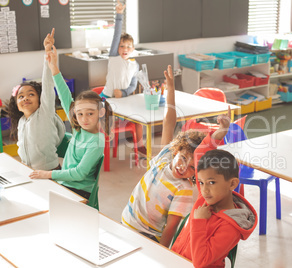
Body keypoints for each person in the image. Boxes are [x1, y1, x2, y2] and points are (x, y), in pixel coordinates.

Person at [121, 64, 213, 247]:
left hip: (146, 236)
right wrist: (170, 90)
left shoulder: (183, 189)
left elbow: (171, 228)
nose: (183, 167)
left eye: (192, 169)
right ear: (177, 149)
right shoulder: (165, 157)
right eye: (184, 158)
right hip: (126, 222)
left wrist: (162, 255)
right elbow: (168, 122)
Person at [29, 30, 114, 199]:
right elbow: (64, 93)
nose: (83, 119)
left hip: (79, 191)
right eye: (80, 114)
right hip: (64, 184)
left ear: (101, 112)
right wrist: (53, 63)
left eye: (90, 113)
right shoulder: (78, 129)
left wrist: (49, 175)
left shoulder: (97, 140)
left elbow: (79, 174)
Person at [171, 148, 258, 267]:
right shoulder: (206, 198)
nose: (204, 190)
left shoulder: (231, 226)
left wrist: (199, 221)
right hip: (174, 261)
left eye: (211, 182)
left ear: (232, 184)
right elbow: (200, 154)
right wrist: (215, 136)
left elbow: (200, 262)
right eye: (201, 182)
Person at [4, 29, 65, 171]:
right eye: (21, 96)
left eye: (31, 94)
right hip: (29, 171)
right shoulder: (22, 121)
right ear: (18, 106)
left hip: (50, 173)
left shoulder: (44, 113)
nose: (25, 97)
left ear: (40, 100)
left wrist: (47, 53)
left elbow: (48, 83)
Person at [100, 0, 145, 154]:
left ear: (132, 49)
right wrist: (119, 14)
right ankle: (105, 136)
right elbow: (116, 34)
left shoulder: (135, 65)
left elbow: (133, 85)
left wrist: (124, 93)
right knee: (101, 112)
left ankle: (140, 145)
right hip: (107, 97)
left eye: (128, 46)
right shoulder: (114, 57)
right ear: (116, 48)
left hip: (124, 99)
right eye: (121, 46)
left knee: (138, 118)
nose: (124, 49)